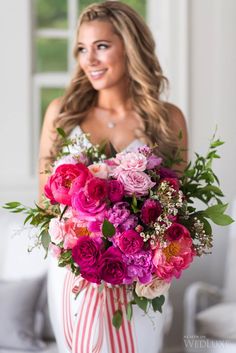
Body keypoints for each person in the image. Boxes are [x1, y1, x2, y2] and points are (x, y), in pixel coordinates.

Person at [38, 2, 188, 353]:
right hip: (75, 275)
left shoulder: (167, 119)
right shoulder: (62, 114)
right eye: (82, 49)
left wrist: (134, 232)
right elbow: (46, 202)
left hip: (141, 280)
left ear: (130, 47)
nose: (89, 59)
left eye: (102, 46)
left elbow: (176, 209)